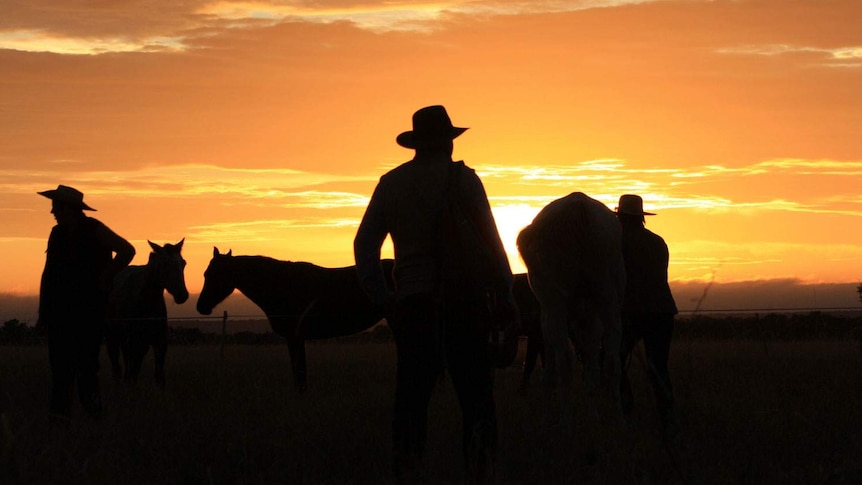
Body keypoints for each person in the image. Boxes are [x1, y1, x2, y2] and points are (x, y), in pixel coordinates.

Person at [354, 105, 513, 484]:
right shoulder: (464, 180)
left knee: (410, 401)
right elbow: (493, 244)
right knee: (477, 401)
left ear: (416, 143)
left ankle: (408, 472)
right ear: (447, 142)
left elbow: (364, 246)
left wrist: (384, 298)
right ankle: (479, 472)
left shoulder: (390, 184)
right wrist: (506, 297)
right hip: (465, 303)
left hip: (413, 306)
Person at [37, 185, 135, 424]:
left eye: (55, 206)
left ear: (66, 208)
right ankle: (60, 423)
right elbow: (49, 273)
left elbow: (127, 250)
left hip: (88, 312)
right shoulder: (57, 233)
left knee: (86, 370)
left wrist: (106, 275)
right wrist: (44, 312)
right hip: (60, 313)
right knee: (61, 372)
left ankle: (93, 420)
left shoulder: (94, 229)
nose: (52, 211)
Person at [615, 194, 678, 436]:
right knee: (658, 367)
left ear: (620, 217)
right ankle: (667, 418)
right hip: (663, 311)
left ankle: (626, 408)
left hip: (632, 312)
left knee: (611, 359)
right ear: (641, 217)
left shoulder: (617, 243)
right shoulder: (658, 242)